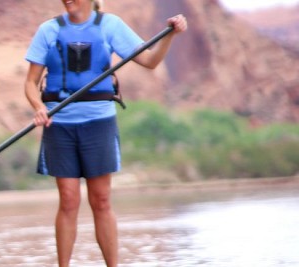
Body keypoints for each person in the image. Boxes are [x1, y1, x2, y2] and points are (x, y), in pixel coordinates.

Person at [22, 0, 187, 266]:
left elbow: (150, 61)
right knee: (68, 199)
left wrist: (170, 35)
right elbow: (30, 83)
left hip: (98, 122)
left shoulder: (110, 26)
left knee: (101, 200)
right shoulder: (48, 30)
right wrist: (38, 106)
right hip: (59, 124)